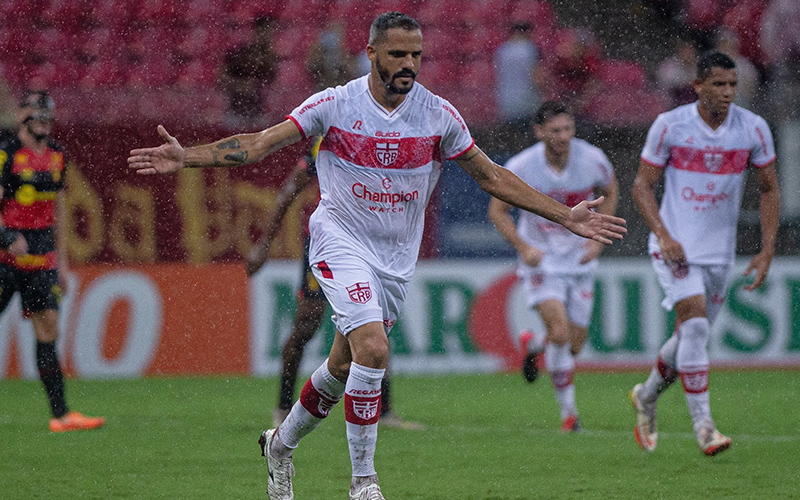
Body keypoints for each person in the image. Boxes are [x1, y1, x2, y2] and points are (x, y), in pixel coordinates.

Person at [128, 12, 627, 500]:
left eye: (416, 55)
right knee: (372, 348)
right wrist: (188, 156)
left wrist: (565, 216)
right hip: (338, 239)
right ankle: (364, 483)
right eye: (397, 54)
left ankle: (279, 446)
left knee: (341, 366)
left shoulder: (438, 115)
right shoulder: (335, 104)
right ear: (371, 53)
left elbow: (491, 176)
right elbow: (259, 144)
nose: (408, 63)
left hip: (394, 260)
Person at [629, 51, 779, 457]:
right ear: (698, 86)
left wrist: (767, 249)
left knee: (689, 336)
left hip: (719, 254)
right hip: (674, 247)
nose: (728, 92)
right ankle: (705, 427)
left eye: (733, 85)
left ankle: (646, 394)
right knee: (695, 327)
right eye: (719, 84)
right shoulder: (670, 126)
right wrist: (664, 235)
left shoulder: (753, 128)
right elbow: (642, 185)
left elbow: (769, 188)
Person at [246, 137, 424, 431]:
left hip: (370, 246)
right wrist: (264, 244)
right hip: (331, 244)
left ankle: (383, 411)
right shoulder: (332, 136)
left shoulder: (390, 138)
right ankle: (283, 406)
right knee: (307, 323)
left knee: (375, 324)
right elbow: (292, 187)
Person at [488, 101, 619, 432]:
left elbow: (611, 189)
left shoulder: (592, 159)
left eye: (568, 129)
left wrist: (596, 241)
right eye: (555, 130)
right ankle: (569, 416)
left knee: (573, 345)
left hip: (580, 260)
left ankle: (534, 344)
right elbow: (497, 211)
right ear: (539, 132)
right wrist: (524, 247)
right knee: (560, 334)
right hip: (542, 262)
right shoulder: (522, 166)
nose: (563, 136)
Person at [0, 90, 105, 433]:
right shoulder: (6, 153)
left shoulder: (58, 155)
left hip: (42, 260)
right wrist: (6, 237)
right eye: (38, 116)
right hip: (5, 258)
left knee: (48, 331)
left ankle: (60, 416)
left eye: (48, 117)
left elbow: (58, 208)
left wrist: (62, 262)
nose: (44, 122)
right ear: (22, 117)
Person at [218, 16, 278, 128]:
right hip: (235, 114)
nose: (267, 36)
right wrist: (240, 85)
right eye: (264, 32)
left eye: (270, 33)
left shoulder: (271, 58)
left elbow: (274, 85)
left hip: (259, 115)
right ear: (255, 32)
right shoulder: (239, 54)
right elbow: (220, 80)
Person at [493, 22, 541, 128]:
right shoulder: (529, 48)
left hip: (506, 100)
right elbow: (536, 76)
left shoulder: (502, 50)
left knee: (512, 132)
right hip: (526, 99)